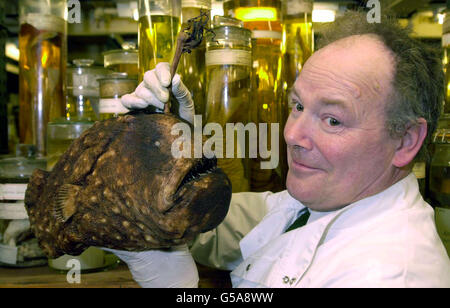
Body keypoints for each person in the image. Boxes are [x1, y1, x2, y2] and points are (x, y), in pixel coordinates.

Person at [110, 10, 450, 287]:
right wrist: (167, 154)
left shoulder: (389, 274)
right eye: (298, 106)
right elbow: (214, 227)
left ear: (405, 140)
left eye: (332, 120)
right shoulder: (311, 204)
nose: (293, 135)